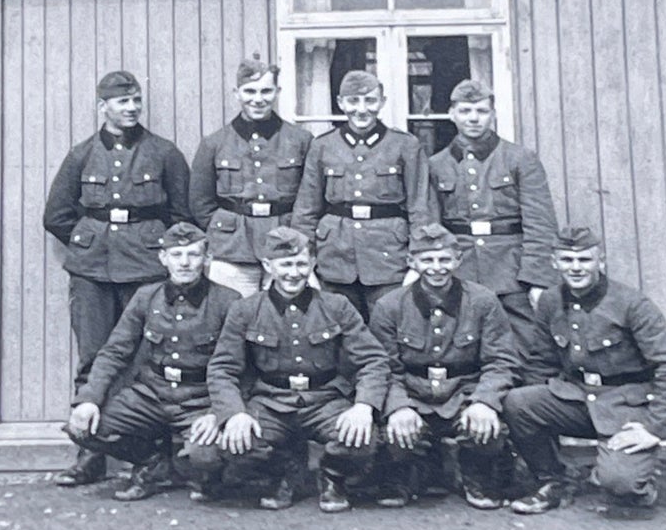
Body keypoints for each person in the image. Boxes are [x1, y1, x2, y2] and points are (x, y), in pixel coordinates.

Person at [42, 70, 191, 486]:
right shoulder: (81, 155)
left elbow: (182, 216)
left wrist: (158, 252)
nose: (131, 108)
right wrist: (86, 241)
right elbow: (55, 215)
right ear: (102, 107)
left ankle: (149, 454)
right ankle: (89, 455)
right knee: (93, 357)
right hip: (92, 273)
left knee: (145, 361)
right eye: (122, 102)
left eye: (136, 101)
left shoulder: (163, 153)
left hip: (144, 271)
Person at [502, 226, 666, 512]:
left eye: (585, 260)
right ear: (554, 262)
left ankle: (635, 481)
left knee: (621, 483)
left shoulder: (631, 304)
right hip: (576, 399)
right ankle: (553, 480)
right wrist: (525, 425)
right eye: (567, 260)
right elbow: (541, 362)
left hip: (624, 407)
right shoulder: (550, 301)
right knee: (517, 402)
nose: (576, 268)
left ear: (600, 261)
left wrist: (654, 428)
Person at [207, 227, 390, 512]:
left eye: (301, 264)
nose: (294, 273)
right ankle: (284, 471)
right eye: (285, 264)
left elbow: (373, 360)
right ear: (268, 266)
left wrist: (364, 406)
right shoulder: (245, 310)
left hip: (324, 400)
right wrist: (234, 413)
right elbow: (222, 369)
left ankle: (333, 475)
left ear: (313, 264)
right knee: (235, 444)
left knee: (363, 437)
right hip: (270, 402)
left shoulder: (336, 306)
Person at [61, 223, 235, 501]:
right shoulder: (146, 297)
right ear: (163, 258)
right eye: (176, 255)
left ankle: (206, 475)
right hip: (151, 394)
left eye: (193, 255)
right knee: (82, 428)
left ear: (208, 258)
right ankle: (152, 463)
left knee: (206, 456)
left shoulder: (228, 301)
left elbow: (240, 367)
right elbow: (115, 351)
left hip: (200, 399)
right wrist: (89, 399)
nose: (185, 263)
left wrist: (218, 412)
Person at [368, 223, 519, 509]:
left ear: (458, 260)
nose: (436, 268)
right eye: (427, 260)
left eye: (444, 259)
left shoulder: (483, 301)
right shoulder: (389, 306)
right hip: (413, 394)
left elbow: (501, 361)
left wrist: (484, 402)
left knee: (488, 430)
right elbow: (382, 367)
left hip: (462, 394)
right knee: (392, 435)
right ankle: (407, 471)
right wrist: (398, 406)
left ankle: (475, 471)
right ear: (411, 262)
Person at [428, 79, 558, 365]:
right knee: (463, 341)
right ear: (451, 114)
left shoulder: (520, 159)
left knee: (523, 342)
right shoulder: (436, 165)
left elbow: (540, 223)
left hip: (511, 267)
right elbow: (434, 228)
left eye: (481, 111)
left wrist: (536, 278)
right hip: (460, 268)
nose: (473, 118)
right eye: (465, 111)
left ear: (493, 113)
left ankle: (520, 403)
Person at [290, 69, 433, 320]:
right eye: (353, 101)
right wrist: (303, 261)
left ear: (382, 102)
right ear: (340, 103)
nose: (361, 109)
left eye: (370, 100)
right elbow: (306, 210)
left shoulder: (405, 145)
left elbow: (420, 208)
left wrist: (421, 259)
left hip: (389, 259)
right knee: (337, 330)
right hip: (334, 257)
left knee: (389, 328)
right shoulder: (323, 145)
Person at [189, 58, 313, 297]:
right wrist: (222, 229)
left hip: (286, 245)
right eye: (250, 91)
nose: (258, 99)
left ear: (277, 92)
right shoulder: (214, 143)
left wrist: (299, 238)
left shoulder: (300, 140)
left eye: (266, 91)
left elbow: (310, 197)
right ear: (237, 93)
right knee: (233, 315)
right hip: (232, 249)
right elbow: (199, 202)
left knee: (284, 317)